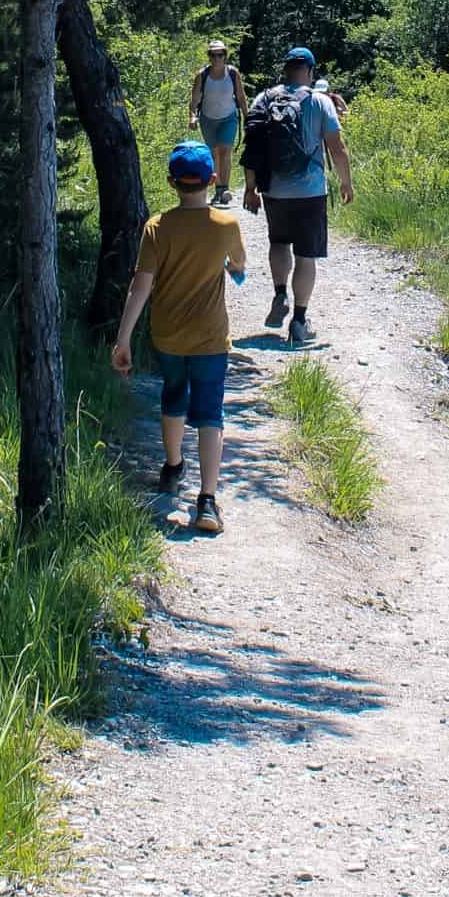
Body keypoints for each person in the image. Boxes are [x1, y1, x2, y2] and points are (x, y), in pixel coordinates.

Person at [111, 139, 247, 535]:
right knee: (210, 413)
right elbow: (239, 266)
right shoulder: (227, 225)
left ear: (172, 182)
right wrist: (229, 263)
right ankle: (206, 500)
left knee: (173, 397)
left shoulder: (158, 227)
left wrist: (123, 340)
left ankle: (172, 468)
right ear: (214, 179)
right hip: (210, 338)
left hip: (167, 335)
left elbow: (140, 286)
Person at [240, 45, 353, 349]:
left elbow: (251, 149)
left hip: (273, 189)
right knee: (306, 256)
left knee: (278, 243)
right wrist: (346, 183)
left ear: (285, 69)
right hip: (310, 191)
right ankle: (300, 322)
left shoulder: (264, 98)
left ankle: (279, 295)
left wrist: (250, 189)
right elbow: (337, 148)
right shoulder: (320, 101)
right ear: (310, 72)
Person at [187, 38, 248, 205]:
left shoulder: (233, 73)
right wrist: (192, 116)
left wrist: (248, 118)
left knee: (225, 151)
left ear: (225, 56)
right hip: (208, 119)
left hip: (229, 118)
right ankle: (218, 190)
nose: (217, 58)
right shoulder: (202, 75)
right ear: (209, 56)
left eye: (220, 55)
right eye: (213, 55)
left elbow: (241, 98)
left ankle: (224, 189)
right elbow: (194, 100)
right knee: (214, 153)